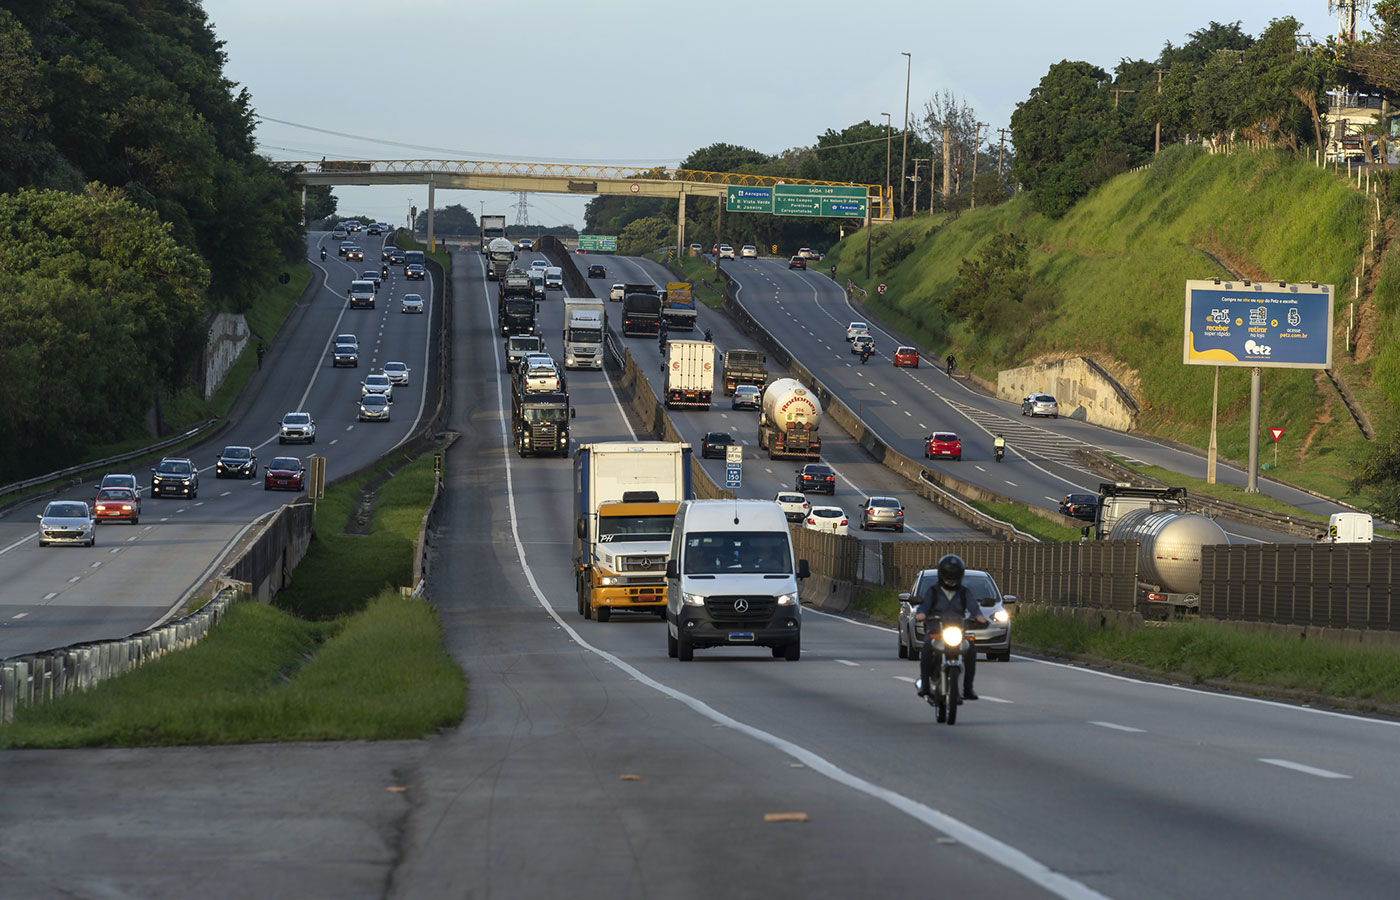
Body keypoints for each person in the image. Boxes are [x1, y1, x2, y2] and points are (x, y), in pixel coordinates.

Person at [915, 554, 987, 701]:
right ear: (941, 574)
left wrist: (979, 617)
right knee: (927, 647)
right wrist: (921, 614)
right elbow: (924, 606)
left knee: (971, 649)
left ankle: (968, 688)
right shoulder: (933, 591)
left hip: (958, 631)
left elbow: (974, 607)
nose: (951, 579)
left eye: (954, 575)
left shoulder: (964, 592)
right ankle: (925, 685)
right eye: (948, 575)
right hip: (936, 630)